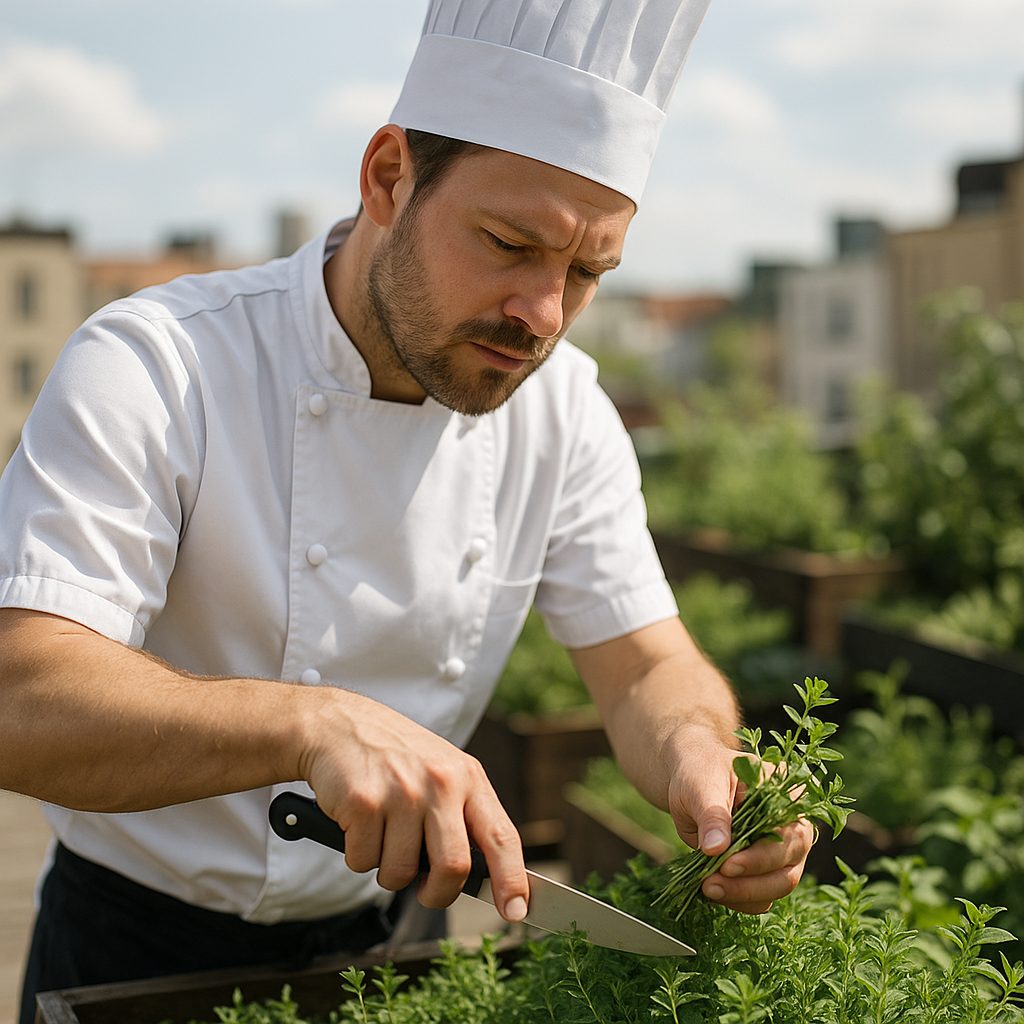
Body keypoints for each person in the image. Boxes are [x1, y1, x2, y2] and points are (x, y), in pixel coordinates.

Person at [0, 2, 813, 1020]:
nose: (542, 314)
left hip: (403, 946)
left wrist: (702, 751)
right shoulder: (160, 364)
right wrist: (309, 722)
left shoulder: (565, 413)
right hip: (133, 948)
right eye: (509, 242)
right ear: (388, 177)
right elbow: (20, 699)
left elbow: (645, 664)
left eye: (586, 273)